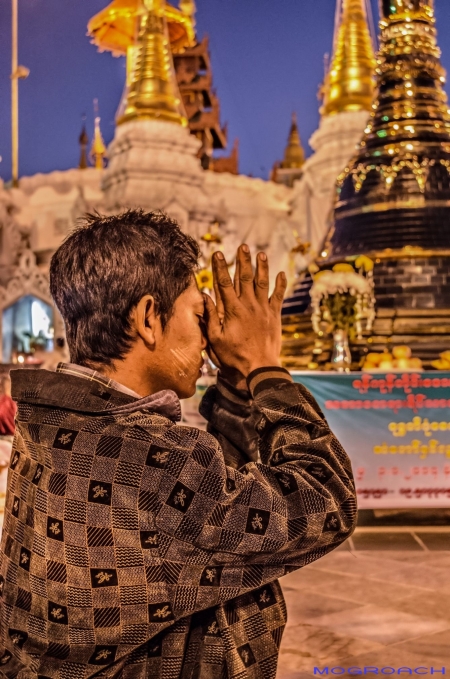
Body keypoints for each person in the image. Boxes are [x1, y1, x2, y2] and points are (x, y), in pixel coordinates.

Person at [0, 209, 357, 679]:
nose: (208, 335)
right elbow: (327, 500)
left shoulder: (49, 423)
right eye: (197, 314)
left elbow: (211, 521)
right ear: (150, 318)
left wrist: (231, 384)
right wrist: (265, 368)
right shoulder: (157, 463)